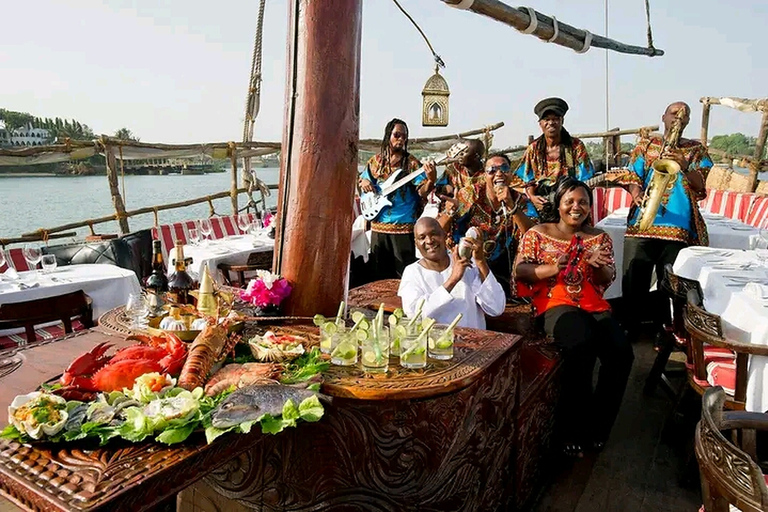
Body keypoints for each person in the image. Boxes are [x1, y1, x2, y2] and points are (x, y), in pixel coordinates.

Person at [514, 177, 634, 457]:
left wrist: (599, 266)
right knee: (581, 343)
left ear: (590, 207)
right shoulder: (537, 233)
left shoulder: (599, 237)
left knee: (621, 353)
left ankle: (597, 428)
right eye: (569, 201)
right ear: (558, 205)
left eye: (582, 202)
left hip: (593, 304)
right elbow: (521, 271)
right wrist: (552, 268)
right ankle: (570, 430)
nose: (576, 207)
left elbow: (607, 278)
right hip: (555, 302)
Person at [618, 101, 712, 343]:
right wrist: (636, 194)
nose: (678, 117)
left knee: (669, 284)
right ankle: (630, 328)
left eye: (684, 114)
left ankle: (665, 331)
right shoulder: (646, 144)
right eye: (674, 113)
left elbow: (701, 185)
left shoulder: (696, 150)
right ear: (663, 117)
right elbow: (631, 175)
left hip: (678, 226)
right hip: (644, 221)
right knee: (633, 279)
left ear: (688, 121)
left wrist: (683, 164)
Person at [440, 152, 534, 299]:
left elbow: (532, 234)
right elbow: (438, 230)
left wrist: (511, 205)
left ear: (511, 174)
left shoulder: (519, 200)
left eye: (504, 169)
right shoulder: (470, 194)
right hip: (467, 263)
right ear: (484, 175)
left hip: (501, 263)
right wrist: (449, 213)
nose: (499, 174)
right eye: (492, 170)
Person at [360, 118, 437, 279]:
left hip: (403, 226)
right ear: (388, 135)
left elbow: (422, 192)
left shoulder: (412, 164)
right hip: (378, 227)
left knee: (403, 274)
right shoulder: (375, 162)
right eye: (397, 135)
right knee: (378, 274)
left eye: (404, 136)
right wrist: (363, 181)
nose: (401, 139)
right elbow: (362, 184)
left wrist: (430, 179)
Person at [398, 217, 505, 329]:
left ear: (444, 235)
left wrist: (480, 261)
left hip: (473, 342)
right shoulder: (412, 272)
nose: (429, 241)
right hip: (436, 343)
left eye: (434, 234)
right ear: (416, 243)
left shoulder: (467, 263)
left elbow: (496, 308)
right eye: (422, 237)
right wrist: (453, 279)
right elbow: (415, 316)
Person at [514, 97, 595, 218]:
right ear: (540, 124)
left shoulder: (574, 147)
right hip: (539, 210)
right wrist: (532, 197)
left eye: (555, 119)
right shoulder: (534, 149)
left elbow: (584, 180)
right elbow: (525, 179)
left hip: (569, 208)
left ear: (562, 121)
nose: (551, 123)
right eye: (547, 119)